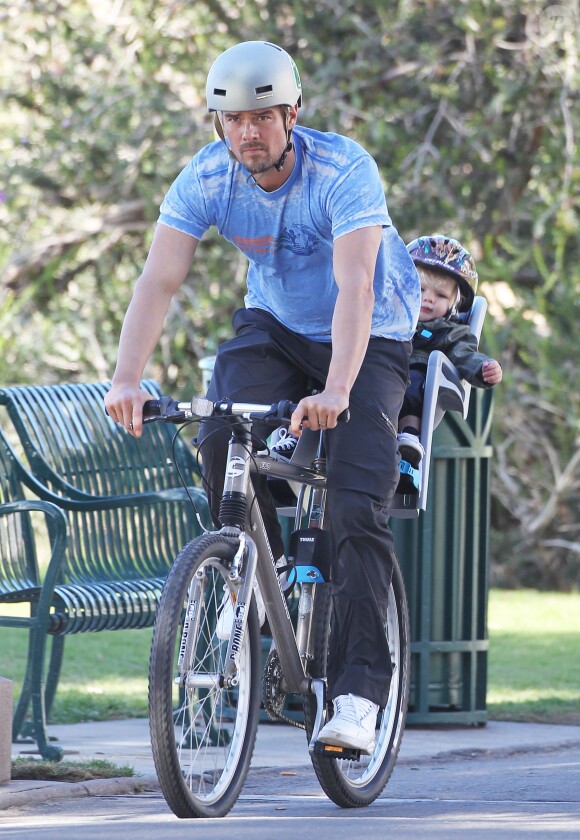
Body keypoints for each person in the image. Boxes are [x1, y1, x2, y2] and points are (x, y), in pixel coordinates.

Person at [104, 40, 420, 754]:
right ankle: (263, 570)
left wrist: (338, 388)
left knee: (353, 507)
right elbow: (158, 281)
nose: (248, 132)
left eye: (263, 117)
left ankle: (359, 699)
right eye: (234, 119)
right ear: (219, 125)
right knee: (217, 429)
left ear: (292, 114)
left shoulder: (342, 170)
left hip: (369, 334)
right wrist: (127, 376)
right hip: (274, 327)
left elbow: (358, 287)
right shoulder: (207, 177)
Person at [396, 234, 503, 472]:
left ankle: (409, 437)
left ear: (455, 304)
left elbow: (465, 353)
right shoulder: (390, 317)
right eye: (420, 288)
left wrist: (482, 368)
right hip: (379, 379)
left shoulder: (449, 332)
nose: (429, 298)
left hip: (414, 384)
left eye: (441, 295)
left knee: (414, 382)